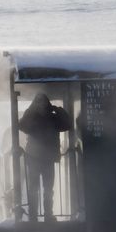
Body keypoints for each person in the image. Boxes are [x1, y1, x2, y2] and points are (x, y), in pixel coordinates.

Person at [19, 93, 71, 222]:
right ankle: (34, 215)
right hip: (36, 157)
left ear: (47, 103)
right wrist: (31, 110)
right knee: (35, 188)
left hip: (44, 157)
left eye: (42, 102)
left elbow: (67, 124)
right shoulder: (33, 118)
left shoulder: (53, 118)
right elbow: (21, 125)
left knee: (48, 189)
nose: (41, 105)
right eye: (38, 102)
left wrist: (57, 109)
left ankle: (47, 214)